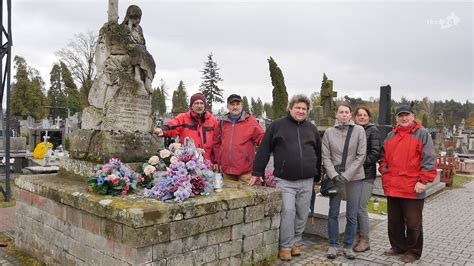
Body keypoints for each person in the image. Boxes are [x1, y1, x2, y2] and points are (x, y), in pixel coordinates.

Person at [250, 95, 322, 262]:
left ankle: (296, 242)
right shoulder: (278, 126)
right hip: (285, 180)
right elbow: (264, 149)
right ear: (290, 108)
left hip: (307, 180)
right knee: (288, 212)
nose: (301, 111)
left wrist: (317, 175)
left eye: (304, 109)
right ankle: (285, 247)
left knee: (303, 213)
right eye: (298, 107)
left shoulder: (311, 129)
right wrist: (257, 171)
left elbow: (318, 154)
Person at [379, 105, 437, 263]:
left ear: (413, 116)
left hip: (413, 187)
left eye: (407, 115)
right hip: (393, 186)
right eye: (400, 116)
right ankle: (398, 247)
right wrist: (384, 168)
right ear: (396, 118)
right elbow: (384, 157)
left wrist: (423, 180)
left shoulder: (422, 134)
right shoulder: (391, 135)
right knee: (394, 222)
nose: (404, 118)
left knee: (413, 223)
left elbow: (429, 159)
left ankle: (414, 251)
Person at [322, 103, 366, 260]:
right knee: (333, 213)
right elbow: (325, 156)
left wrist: (346, 176)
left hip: (354, 179)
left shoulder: (359, 131)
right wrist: (334, 175)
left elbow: (361, 156)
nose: (344, 115)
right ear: (336, 115)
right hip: (335, 179)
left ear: (350, 114)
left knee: (352, 214)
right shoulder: (328, 133)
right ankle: (333, 245)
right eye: (341, 112)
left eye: (347, 112)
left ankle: (348, 246)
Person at [154, 93, 218, 162]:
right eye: (196, 103)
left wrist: (216, 161)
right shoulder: (183, 118)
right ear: (191, 106)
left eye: (201, 103)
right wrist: (162, 130)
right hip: (188, 161)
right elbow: (173, 125)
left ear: (204, 105)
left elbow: (217, 142)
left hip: (207, 161)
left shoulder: (212, 120)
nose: (199, 106)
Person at [214, 94, 264, 183]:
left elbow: (262, 139)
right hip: (227, 172)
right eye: (232, 104)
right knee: (229, 196)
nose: (235, 107)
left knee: (248, 196)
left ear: (241, 105)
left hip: (246, 172)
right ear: (228, 106)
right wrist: (218, 161)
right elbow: (216, 143)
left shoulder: (250, 121)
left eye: (237, 104)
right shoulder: (222, 123)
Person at [353, 106, 382, 252]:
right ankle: (356, 236)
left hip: (366, 175)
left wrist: (358, 165)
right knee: (354, 208)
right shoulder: (352, 130)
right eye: (359, 115)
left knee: (361, 208)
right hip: (352, 176)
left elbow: (376, 152)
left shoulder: (373, 131)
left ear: (369, 117)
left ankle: (365, 240)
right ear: (355, 117)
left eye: (365, 115)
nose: (362, 117)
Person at [121, 5, 156, 93]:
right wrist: (129, 26)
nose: (137, 20)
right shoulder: (124, 27)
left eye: (139, 18)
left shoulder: (139, 29)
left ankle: (148, 81)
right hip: (128, 48)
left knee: (151, 60)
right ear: (129, 17)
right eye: (135, 18)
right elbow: (123, 40)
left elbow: (143, 42)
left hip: (141, 48)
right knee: (138, 49)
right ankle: (137, 75)